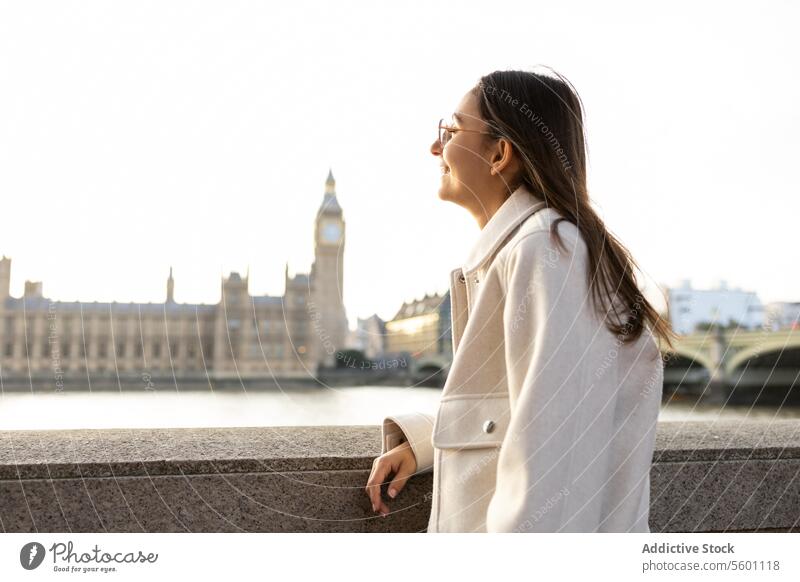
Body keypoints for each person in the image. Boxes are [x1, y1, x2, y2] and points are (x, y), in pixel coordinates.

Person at [364, 67, 677, 533]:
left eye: (450, 131)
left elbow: (554, 469)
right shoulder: (530, 250)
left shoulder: (547, 250)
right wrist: (427, 444)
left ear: (499, 153)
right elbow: (534, 412)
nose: (435, 148)